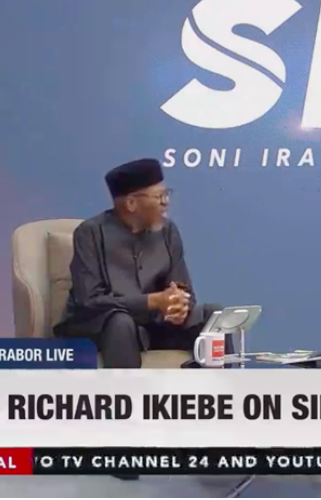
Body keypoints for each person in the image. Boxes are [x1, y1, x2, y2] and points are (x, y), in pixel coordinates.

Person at [53, 158, 227, 370]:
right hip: (99, 328)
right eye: (159, 196)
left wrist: (179, 306)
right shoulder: (90, 233)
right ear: (131, 204)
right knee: (120, 322)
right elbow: (89, 301)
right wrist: (150, 302)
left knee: (214, 315)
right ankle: (128, 391)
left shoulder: (168, 231)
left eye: (167, 194)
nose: (166, 202)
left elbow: (184, 289)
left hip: (154, 327)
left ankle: (222, 387)